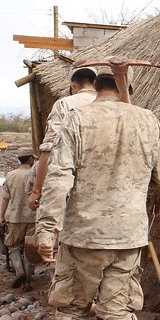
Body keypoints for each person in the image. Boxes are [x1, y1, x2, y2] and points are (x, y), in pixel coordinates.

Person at [36, 70, 160, 320]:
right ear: (126, 88)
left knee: (72, 309)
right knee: (118, 312)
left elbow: (58, 180)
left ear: (95, 88)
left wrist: (46, 229)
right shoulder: (147, 120)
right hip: (128, 237)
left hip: (81, 237)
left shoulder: (75, 120)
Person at [28, 65, 98, 211]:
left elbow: (49, 149)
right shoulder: (111, 106)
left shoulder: (65, 104)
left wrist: (36, 190)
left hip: (72, 185)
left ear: (73, 85)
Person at [0, 147, 37, 291]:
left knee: (13, 246)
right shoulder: (36, 174)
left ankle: (19, 271)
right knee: (30, 248)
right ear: (29, 159)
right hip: (34, 217)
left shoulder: (10, 175)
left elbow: (5, 199)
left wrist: (2, 217)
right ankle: (27, 282)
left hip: (15, 217)